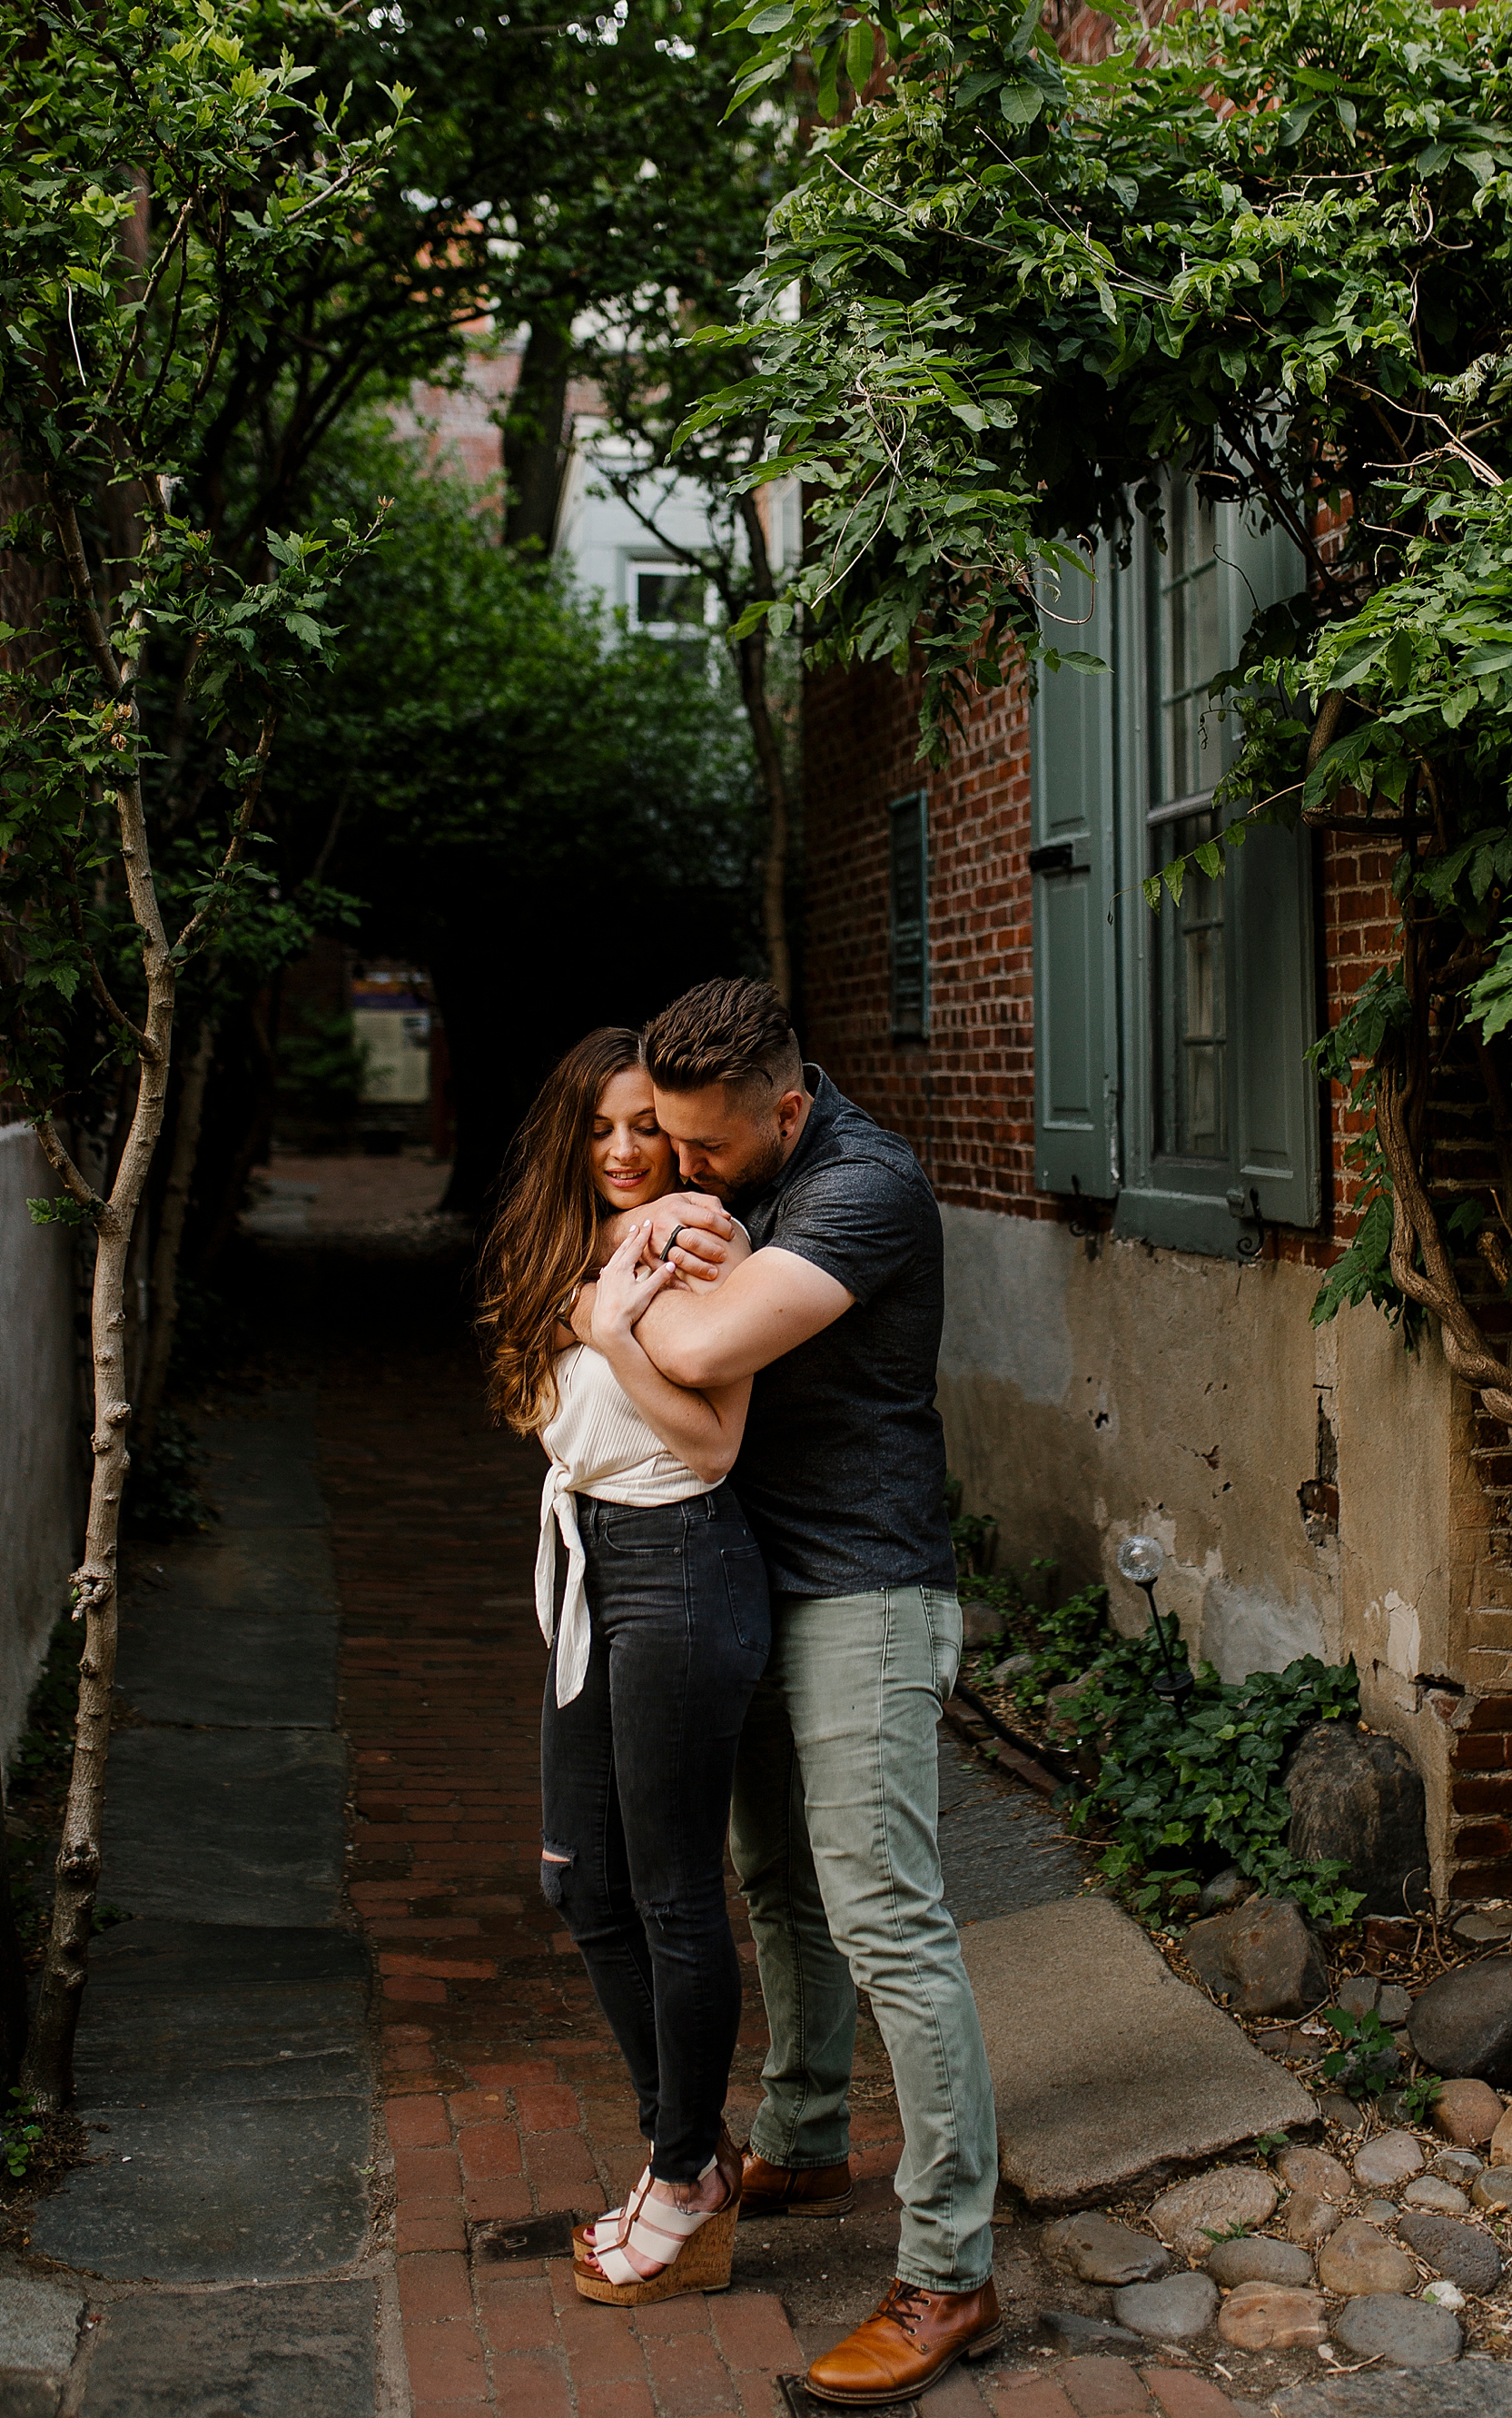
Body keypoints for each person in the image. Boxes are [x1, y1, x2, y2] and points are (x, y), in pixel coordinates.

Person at [570, 977, 1000, 2406]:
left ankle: (949, 2273)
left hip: (863, 1584)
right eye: (666, 1144)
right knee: (776, 1883)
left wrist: (613, 1305)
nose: (676, 1168)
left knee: (887, 1917)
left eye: (705, 1148)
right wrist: (665, 1237)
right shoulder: (734, 1180)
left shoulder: (866, 1187)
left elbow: (688, 1349)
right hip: (752, 1567)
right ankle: (806, 2137)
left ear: (788, 1109)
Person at [477, 1025, 767, 2306]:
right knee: (576, 1882)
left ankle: (683, 2175)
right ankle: (684, 2157)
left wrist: (609, 1332)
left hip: (683, 1561)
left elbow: (710, 1444)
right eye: (599, 1127)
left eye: (644, 1123)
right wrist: (589, 1312)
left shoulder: (699, 1241)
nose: (623, 1148)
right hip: (595, 1561)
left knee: (671, 1892)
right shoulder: (563, 1245)